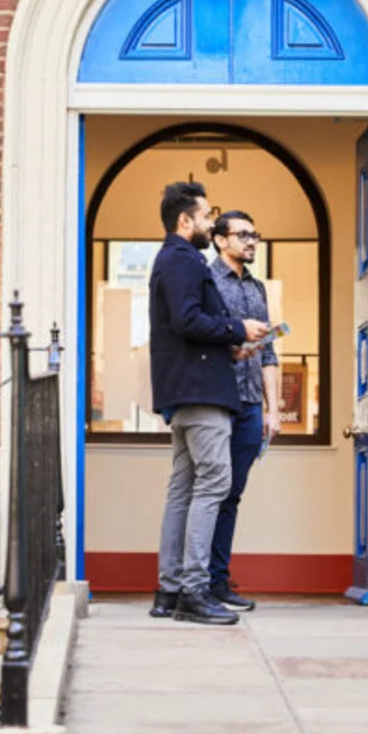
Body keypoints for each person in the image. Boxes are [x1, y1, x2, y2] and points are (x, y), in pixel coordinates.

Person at [147, 183, 270, 625]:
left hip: (187, 388)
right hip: (201, 392)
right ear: (186, 221)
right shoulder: (183, 260)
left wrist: (232, 345)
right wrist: (237, 329)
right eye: (204, 217)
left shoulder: (172, 260)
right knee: (214, 484)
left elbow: (190, 326)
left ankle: (168, 590)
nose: (208, 223)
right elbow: (187, 320)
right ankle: (194, 591)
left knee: (183, 488)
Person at [206, 211, 280, 613]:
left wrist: (274, 409)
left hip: (251, 403)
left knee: (232, 495)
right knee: (209, 492)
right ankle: (197, 581)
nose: (252, 242)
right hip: (217, 400)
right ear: (220, 240)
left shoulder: (257, 288)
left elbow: (268, 351)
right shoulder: (207, 281)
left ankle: (218, 581)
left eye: (256, 234)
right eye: (243, 235)